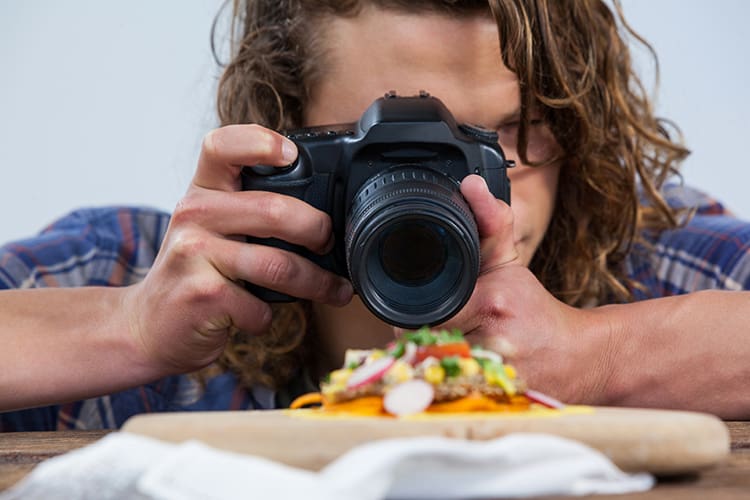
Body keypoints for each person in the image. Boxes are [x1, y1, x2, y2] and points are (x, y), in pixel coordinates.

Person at [2, 0, 750, 431]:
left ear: (575, 133)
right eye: (393, 151)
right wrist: (123, 328)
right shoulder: (148, 275)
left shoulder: (653, 272)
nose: (456, 198)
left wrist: (606, 355)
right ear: (283, 144)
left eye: (506, 141)